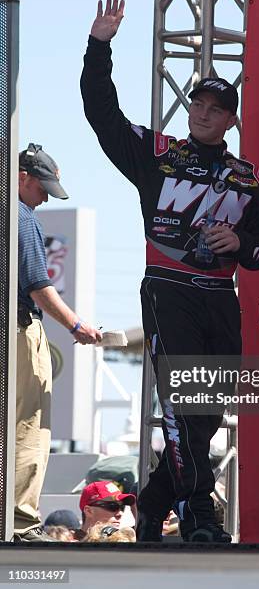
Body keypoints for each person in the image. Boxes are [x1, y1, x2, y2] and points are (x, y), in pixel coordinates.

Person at [81, 0, 259, 543]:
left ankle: (155, 498)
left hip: (220, 294)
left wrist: (238, 240)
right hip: (168, 292)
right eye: (197, 105)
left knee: (208, 412)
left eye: (215, 108)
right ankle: (197, 514)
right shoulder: (158, 153)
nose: (202, 113)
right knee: (183, 405)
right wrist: (100, 46)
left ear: (231, 118)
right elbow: (101, 113)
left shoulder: (251, 178)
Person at [15, 144, 102, 542]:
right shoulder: (22, 218)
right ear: (22, 177)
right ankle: (19, 521)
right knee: (29, 428)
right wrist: (76, 325)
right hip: (17, 329)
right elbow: (37, 286)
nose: (46, 197)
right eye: (42, 187)